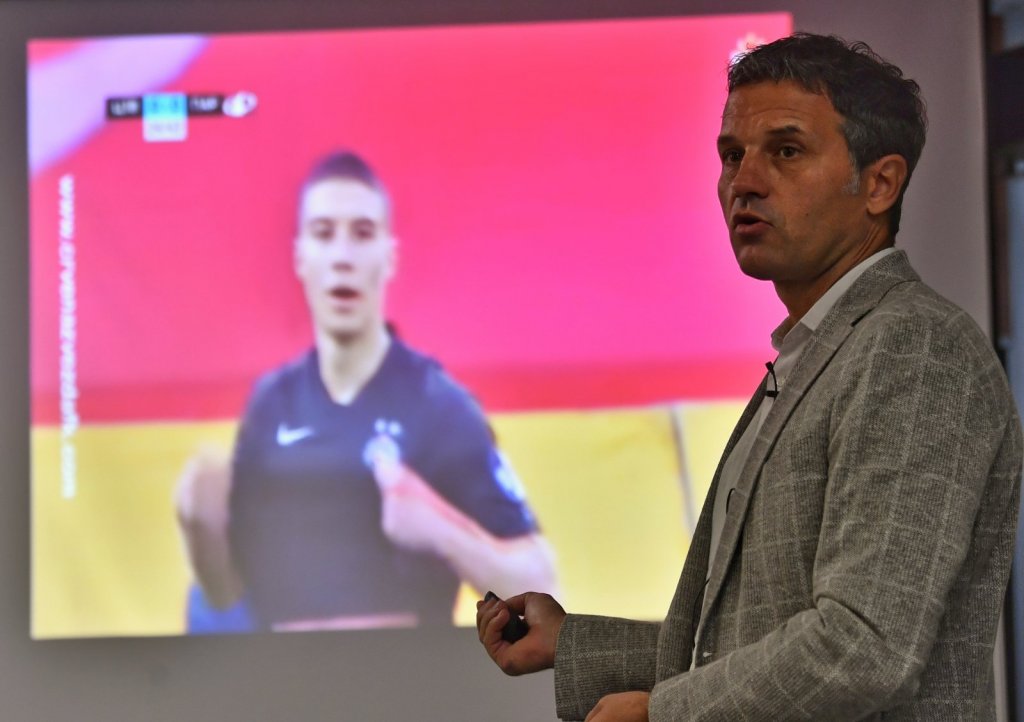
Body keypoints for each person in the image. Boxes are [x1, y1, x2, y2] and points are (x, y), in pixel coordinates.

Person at [477, 33, 1023, 720]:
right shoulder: (820, 351)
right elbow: (746, 642)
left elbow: (863, 647)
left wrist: (660, 714)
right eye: (733, 155)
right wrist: (573, 643)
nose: (745, 181)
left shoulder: (915, 347)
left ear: (879, 184)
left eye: (786, 151)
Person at [176, 150, 558, 632]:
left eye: (361, 234)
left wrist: (440, 529)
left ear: (388, 257)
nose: (342, 257)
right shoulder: (271, 405)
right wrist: (203, 530)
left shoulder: (440, 408)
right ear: (300, 258)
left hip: (397, 675)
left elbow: (543, 588)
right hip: (285, 675)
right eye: (323, 234)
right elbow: (226, 599)